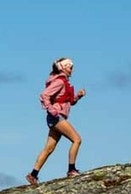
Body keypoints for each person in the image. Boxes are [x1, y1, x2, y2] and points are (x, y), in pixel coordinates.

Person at [26, 56, 86, 186]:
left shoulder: (63, 82)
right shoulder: (59, 82)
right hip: (57, 117)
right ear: (63, 67)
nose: (72, 70)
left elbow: (69, 101)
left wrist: (78, 96)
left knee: (49, 148)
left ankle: (33, 175)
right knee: (77, 139)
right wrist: (51, 109)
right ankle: (71, 170)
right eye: (70, 67)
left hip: (55, 117)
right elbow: (44, 95)